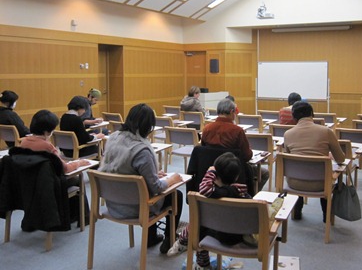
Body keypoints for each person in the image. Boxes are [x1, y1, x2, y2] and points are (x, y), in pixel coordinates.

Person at [99, 103, 183, 253]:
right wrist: (173, 179)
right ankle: (169, 240)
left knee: (145, 189)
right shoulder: (141, 150)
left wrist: (152, 174)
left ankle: (150, 238)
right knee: (177, 195)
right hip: (136, 207)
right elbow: (156, 187)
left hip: (113, 204)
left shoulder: (112, 139)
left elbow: (123, 170)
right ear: (148, 127)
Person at [167, 153, 250, 269]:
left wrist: (211, 171)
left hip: (215, 234)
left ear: (216, 175)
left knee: (200, 223)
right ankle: (185, 241)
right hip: (237, 236)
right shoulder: (241, 193)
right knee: (203, 223)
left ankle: (191, 248)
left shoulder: (213, 194)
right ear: (236, 176)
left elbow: (205, 188)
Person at [283, 102, 345, 222]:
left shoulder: (288, 134)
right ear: (312, 114)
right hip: (320, 184)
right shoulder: (326, 132)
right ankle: (327, 217)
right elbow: (340, 159)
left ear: (294, 117)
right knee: (327, 176)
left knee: (301, 169)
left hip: (294, 183)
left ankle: (297, 212)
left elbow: (290, 157)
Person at [201, 98, 269, 192]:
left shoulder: (206, 129)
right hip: (235, 171)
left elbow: (203, 150)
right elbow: (247, 156)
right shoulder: (237, 131)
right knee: (264, 173)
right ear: (232, 112)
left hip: (213, 169)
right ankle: (250, 194)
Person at [20, 109, 90, 173]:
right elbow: (65, 169)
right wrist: (79, 163)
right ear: (47, 131)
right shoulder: (47, 146)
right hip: (47, 181)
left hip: (28, 180)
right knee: (76, 180)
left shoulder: (24, 142)